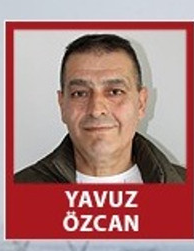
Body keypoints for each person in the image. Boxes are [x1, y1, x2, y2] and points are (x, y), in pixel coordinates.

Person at [14, 33, 185, 183]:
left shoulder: (190, 188)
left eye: (115, 92)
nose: (96, 110)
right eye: (80, 93)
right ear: (62, 105)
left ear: (141, 103)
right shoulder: (15, 192)